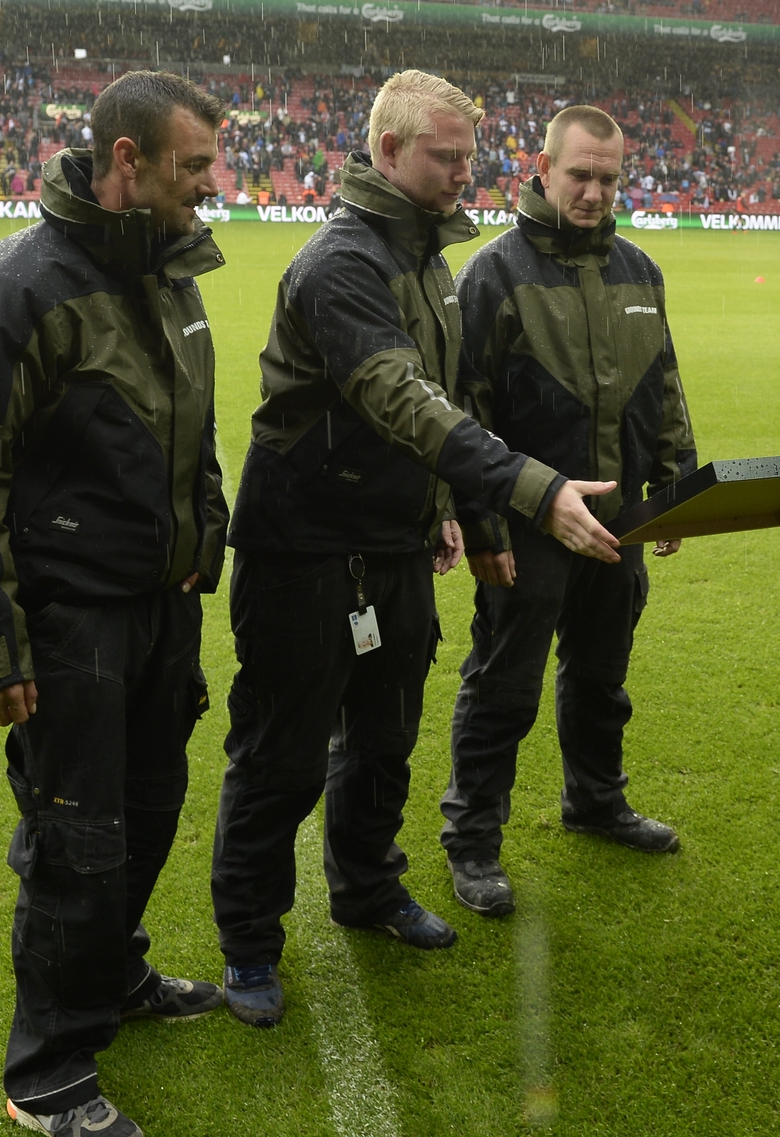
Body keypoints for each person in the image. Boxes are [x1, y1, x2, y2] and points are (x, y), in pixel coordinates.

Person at [210, 70, 622, 1029]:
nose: (464, 175)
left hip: (391, 545)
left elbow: (442, 411)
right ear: (389, 153)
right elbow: (402, 397)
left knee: (386, 737)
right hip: (303, 551)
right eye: (446, 157)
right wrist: (533, 489)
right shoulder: (341, 265)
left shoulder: (429, 259)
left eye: (470, 157)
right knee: (280, 755)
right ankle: (250, 944)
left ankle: (366, 887)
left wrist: (448, 508)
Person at [0, 72, 231, 1137]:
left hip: (161, 606)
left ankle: (110, 978)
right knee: (77, 836)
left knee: (144, 813)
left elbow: (195, 428)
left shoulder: (172, 269)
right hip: (70, 618)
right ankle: (47, 1068)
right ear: (127, 162)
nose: (210, 186)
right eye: (193, 166)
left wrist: (207, 533)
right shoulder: (19, 284)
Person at [440, 105, 697, 918]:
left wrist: (677, 485)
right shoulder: (493, 273)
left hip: (617, 518)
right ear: (541, 168)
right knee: (502, 685)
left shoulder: (640, 271)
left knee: (602, 675)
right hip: (528, 525)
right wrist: (484, 527)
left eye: (609, 177)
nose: (594, 191)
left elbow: (662, 385)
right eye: (580, 174)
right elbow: (463, 411)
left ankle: (596, 799)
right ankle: (473, 838)